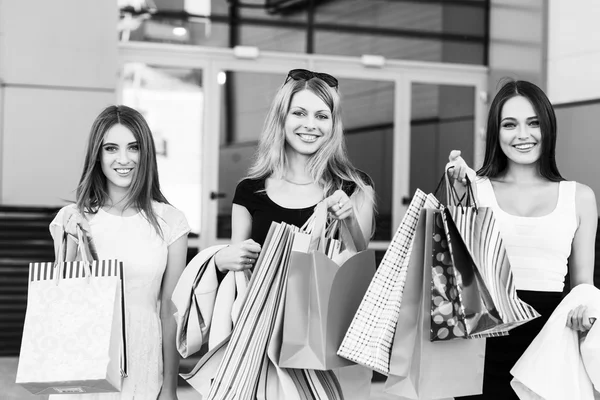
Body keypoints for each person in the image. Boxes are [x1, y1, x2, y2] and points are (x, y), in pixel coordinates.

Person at [213, 68, 376, 398]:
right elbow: (236, 270)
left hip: (324, 343)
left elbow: (357, 261)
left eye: (322, 115)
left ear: (333, 124)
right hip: (260, 344)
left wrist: (347, 219)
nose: (310, 125)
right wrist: (220, 258)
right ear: (281, 118)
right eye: (299, 113)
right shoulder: (250, 191)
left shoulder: (354, 187)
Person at [447, 80, 597, 399]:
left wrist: (587, 309)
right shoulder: (474, 189)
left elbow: (582, 284)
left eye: (533, 123)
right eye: (509, 124)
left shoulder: (580, 197)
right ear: (496, 132)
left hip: (551, 344)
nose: (523, 135)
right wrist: (457, 194)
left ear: (548, 127)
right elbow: (457, 276)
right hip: (480, 342)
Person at [49, 105, 190, 400]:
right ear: (97, 155)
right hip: (85, 360)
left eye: (133, 148)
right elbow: (62, 301)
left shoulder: (171, 221)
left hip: (144, 360)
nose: (123, 159)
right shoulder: (72, 218)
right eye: (111, 148)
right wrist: (74, 241)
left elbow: (169, 309)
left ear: (146, 153)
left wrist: (170, 386)